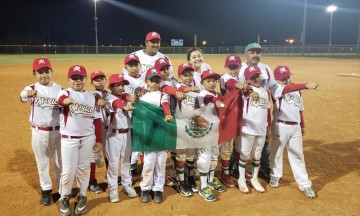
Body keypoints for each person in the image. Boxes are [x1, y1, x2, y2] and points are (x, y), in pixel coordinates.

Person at [57, 65, 103, 216]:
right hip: (69, 139)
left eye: (80, 78)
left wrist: (99, 140)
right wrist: (65, 101)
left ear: (85, 79)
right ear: (68, 80)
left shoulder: (92, 97)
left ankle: (83, 195)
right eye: (74, 78)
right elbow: (60, 99)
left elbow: (96, 120)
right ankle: (64, 197)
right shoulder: (65, 92)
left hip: (88, 138)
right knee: (68, 170)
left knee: (84, 168)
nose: (77, 81)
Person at [269, 66, 318, 199]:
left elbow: (300, 110)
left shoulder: (297, 91)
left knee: (298, 155)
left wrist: (302, 125)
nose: (287, 79)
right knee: (277, 153)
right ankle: (275, 175)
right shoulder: (275, 88)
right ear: (277, 79)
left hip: (295, 127)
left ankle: (304, 184)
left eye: (288, 76)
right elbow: (286, 89)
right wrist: (306, 85)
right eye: (284, 77)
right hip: (281, 125)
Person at [20, 57, 62, 206]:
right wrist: (28, 94)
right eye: (40, 72)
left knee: (60, 163)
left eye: (46, 71)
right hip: (39, 132)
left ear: (51, 71)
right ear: (34, 73)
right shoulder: (30, 88)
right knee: (42, 163)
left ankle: (63, 191)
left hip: (58, 132)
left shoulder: (60, 89)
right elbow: (22, 96)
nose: (44, 75)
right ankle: (46, 190)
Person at [232, 43, 276, 179]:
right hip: (244, 112)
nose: (256, 55)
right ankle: (235, 166)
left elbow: (272, 90)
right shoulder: (240, 69)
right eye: (252, 52)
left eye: (258, 52)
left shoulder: (266, 69)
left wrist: (271, 117)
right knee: (240, 143)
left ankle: (264, 167)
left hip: (262, 111)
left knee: (263, 142)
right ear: (246, 54)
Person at [139, 68, 173, 204]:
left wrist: (168, 113)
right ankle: (145, 188)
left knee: (161, 163)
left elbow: (165, 105)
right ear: (146, 81)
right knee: (148, 163)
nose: (154, 83)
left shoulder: (162, 95)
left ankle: (158, 189)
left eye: (157, 81)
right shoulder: (142, 97)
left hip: (161, 133)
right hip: (148, 134)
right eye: (151, 80)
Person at [237, 65, 271, 194]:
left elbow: (268, 110)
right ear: (248, 80)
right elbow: (245, 89)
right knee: (245, 155)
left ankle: (254, 179)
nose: (257, 78)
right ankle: (241, 179)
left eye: (258, 75)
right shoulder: (246, 90)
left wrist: (268, 127)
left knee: (257, 155)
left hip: (262, 129)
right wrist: (249, 89)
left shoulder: (266, 91)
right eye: (253, 77)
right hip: (248, 129)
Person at [106, 74, 137, 203]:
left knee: (126, 160)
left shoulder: (125, 97)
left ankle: (127, 184)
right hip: (113, 135)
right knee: (113, 162)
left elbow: (125, 97)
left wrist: (129, 98)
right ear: (111, 87)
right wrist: (124, 106)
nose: (120, 87)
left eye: (122, 85)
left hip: (127, 134)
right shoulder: (108, 97)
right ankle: (113, 188)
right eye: (117, 85)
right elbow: (116, 102)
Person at [197, 70, 226, 201]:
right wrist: (216, 101)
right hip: (204, 131)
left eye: (214, 81)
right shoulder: (202, 94)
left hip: (215, 130)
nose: (212, 83)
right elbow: (208, 98)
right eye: (208, 81)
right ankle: (203, 187)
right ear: (202, 83)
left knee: (214, 156)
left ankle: (210, 180)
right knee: (204, 158)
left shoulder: (218, 94)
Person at [219, 54, 247, 188]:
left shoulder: (241, 78)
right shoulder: (225, 78)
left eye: (236, 67)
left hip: (240, 116)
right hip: (228, 116)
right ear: (225, 67)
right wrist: (238, 85)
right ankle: (225, 173)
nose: (234, 70)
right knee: (227, 147)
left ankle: (235, 168)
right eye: (231, 67)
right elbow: (231, 83)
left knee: (239, 145)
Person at [174, 63, 200, 196]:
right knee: (181, 156)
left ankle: (190, 178)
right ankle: (181, 182)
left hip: (192, 127)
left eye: (191, 74)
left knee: (191, 156)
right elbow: (176, 89)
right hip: (180, 127)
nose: (189, 77)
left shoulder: (195, 90)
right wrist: (188, 89)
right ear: (180, 76)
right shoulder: (178, 88)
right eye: (185, 75)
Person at [88, 70, 108, 194]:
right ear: (91, 82)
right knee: (93, 156)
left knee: (109, 154)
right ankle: (92, 180)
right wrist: (99, 97)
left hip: (109, 129)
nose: (100, 81)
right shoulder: (90, 94)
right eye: (97, 79)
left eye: (102, 78)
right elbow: (96, 95)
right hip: (95, 129)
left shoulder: (109, 93)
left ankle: (109, 175)